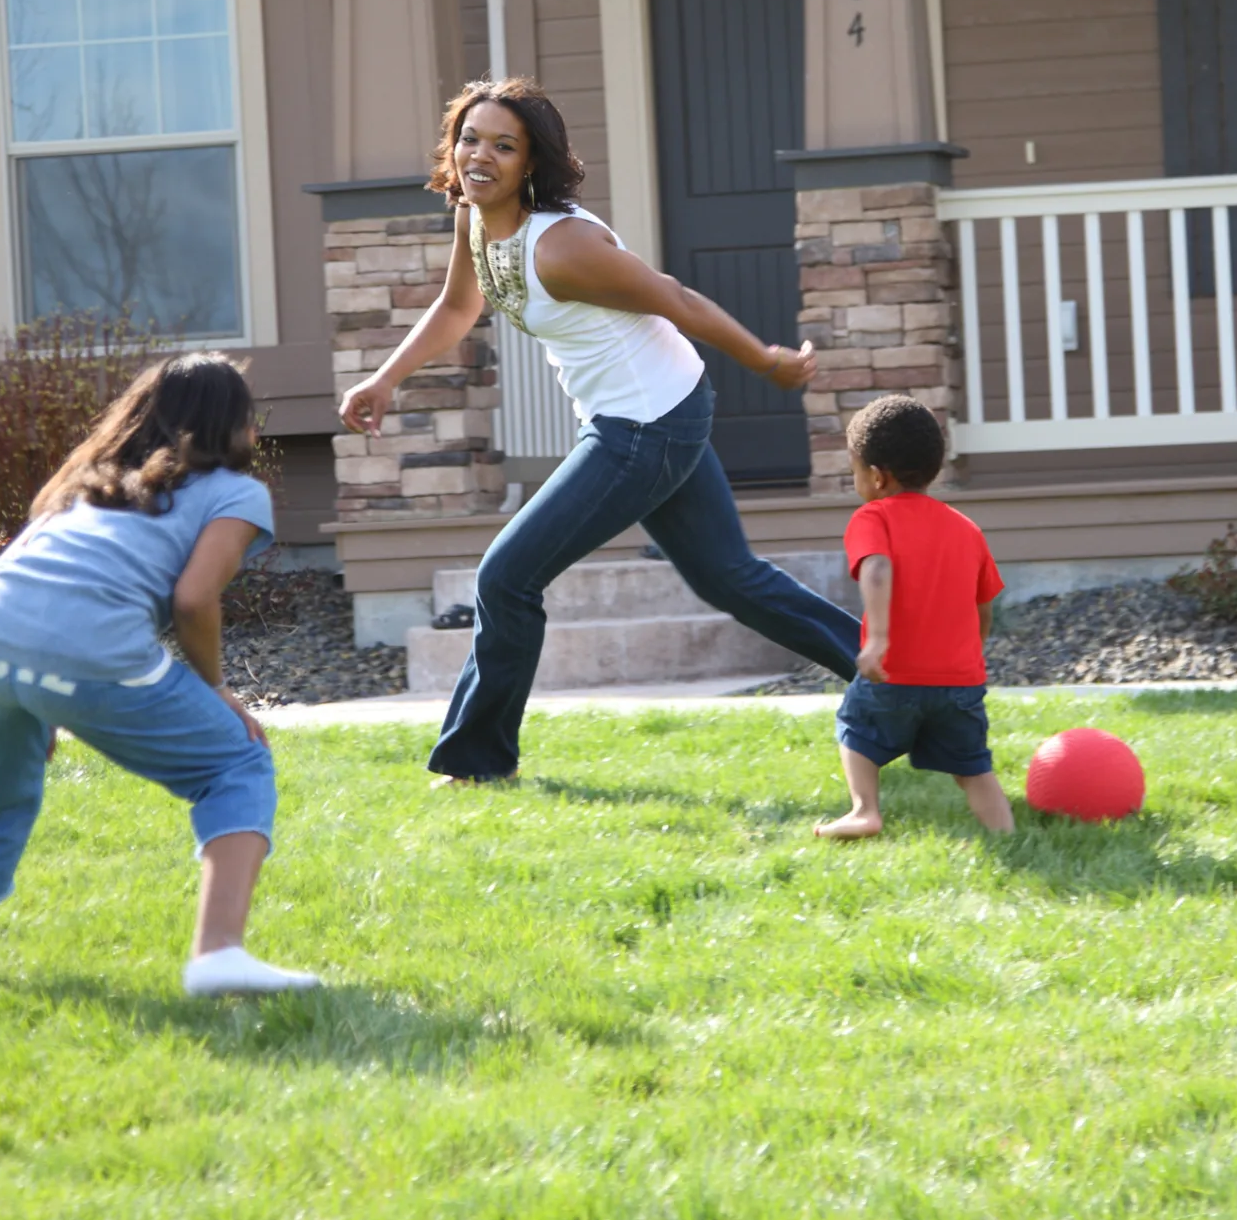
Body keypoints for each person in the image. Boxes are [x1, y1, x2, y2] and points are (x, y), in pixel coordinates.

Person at [341, 79, 862, 784]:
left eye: (504, 145)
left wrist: (762, 358)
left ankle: (477, 761)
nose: (480, 155)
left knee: (506, 576)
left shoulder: (563, 246)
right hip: (654, 412)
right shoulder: (474, 216)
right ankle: (893, 671)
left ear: (533, 163)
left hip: (646, 425)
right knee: (727, 576)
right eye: (470, 138)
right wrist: (385, 378)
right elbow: (458, 306)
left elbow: (674, 297)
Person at [0, 353, 319, 999]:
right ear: (234, 427)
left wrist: (38, 705)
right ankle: (218, 954)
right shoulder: (237, 492)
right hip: (87, 646)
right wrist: (217, 689)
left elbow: (38, 585)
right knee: (236, 760)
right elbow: (195, 600)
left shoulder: (83, 485)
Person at [813, 394, 1013, 840]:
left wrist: (878, 640)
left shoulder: (872, 517)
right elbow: (984, 607)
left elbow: (877, 566)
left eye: (854, 471)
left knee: (855, 726)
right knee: (973, 768)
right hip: (960, 682)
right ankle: (1006, 833)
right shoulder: (967, 529)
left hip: (895, 675)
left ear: (877, 477)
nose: (856, 481)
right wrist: (970, 656)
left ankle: (865, 810)